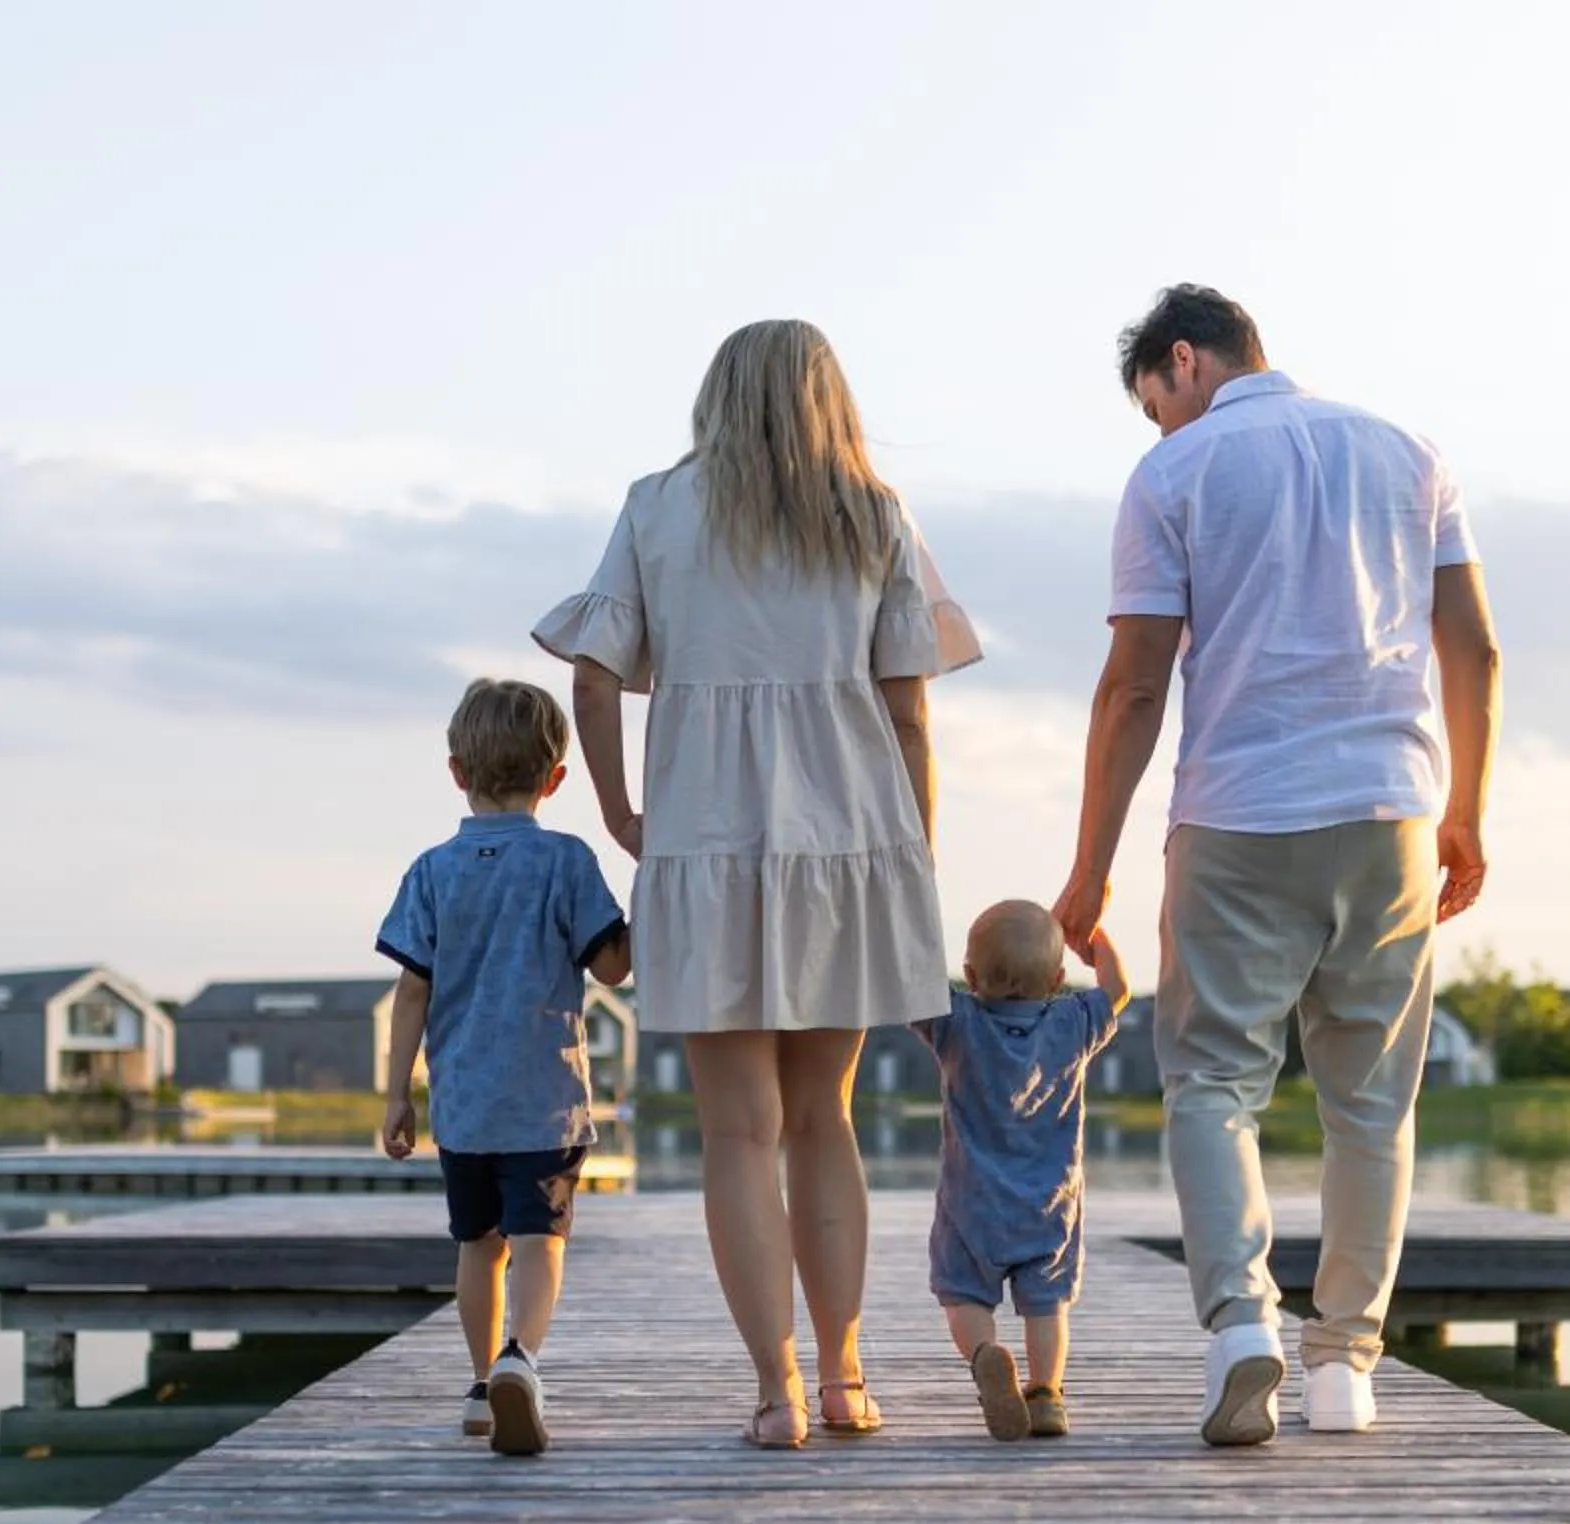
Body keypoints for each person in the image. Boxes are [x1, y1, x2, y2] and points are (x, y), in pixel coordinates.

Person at [1053, 284, 1502, 1448]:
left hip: (1239, 816)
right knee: (1372, 1104)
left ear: (1185, 364)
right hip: (1392, 811)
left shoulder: (1175, 476)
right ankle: (1346, 1365)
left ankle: (1241, 1327)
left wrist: (1090, 867)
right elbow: (1475, 647)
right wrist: (1465, 812)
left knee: (1211, 1084)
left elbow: (1137, 684)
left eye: (1157, 406)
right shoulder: (1411, 455)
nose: (1160, 430)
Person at [534, 319, 978, 1449]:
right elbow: (910, 704)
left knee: (738, 1134)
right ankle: (844, 1378)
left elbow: (591, 678)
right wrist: (910, 848)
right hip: (847, 841)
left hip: (704, 836)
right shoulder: (873, 510)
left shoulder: (655, 506)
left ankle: (775, 1394)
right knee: (823, 1118)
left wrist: (623, 811)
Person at [375, 678, 633, 1457]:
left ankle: (484, 1386)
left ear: (457, 771)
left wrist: (396, 1096)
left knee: (478, 1243)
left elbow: (410, 991)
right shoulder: (566, 861)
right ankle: (523, 1356)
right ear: (555, 778)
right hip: (546, 1101)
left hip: (463, 1104)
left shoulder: (431, 870)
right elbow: (614, 968)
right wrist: (655, 896)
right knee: (539, 1241)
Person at [917, 901, 1129, 1442]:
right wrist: (1095, 937)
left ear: (969, 976)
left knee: (963, 1295)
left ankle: (987, 1355)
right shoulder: (1073, 1022)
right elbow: (1119, 990)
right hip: (1049, 1204)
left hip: (971, 1204)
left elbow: (909, 982)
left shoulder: (956, 1021)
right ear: (1059, 979)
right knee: (1047, 1302)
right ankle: (1046, 1394)